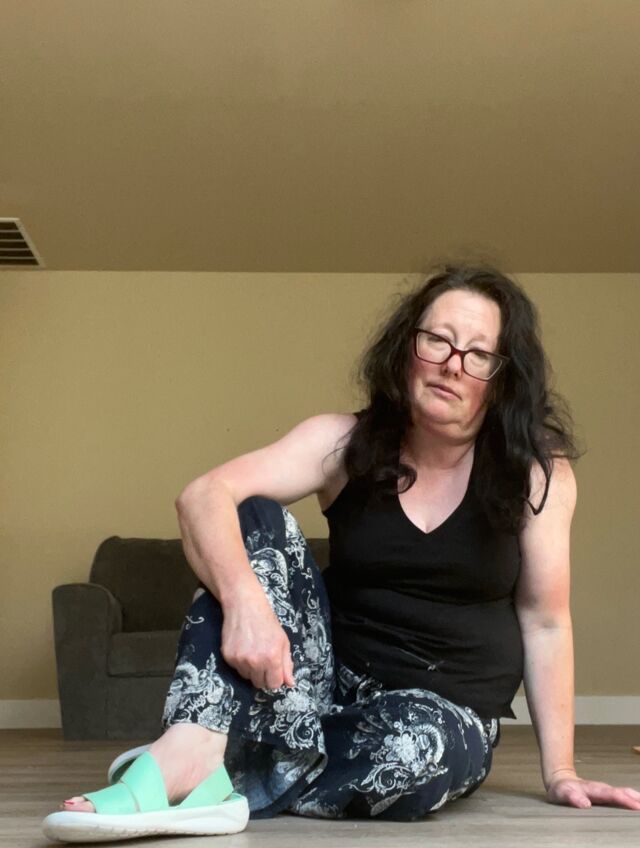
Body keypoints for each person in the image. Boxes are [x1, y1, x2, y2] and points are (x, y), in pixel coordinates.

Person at [43, 263, 640, 842]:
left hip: (441, 716)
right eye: (437, 339)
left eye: (478, 353)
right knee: (252, 512)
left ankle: (214, 767)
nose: (452, 364)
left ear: (502, 379)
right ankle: (194, 748)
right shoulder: (341, 441)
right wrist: (246, 603)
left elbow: (545, 620)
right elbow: (203, 496)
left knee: (412, 750)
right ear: (406, 349)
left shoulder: (536, 473)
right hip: (316, 687)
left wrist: (561, 770)